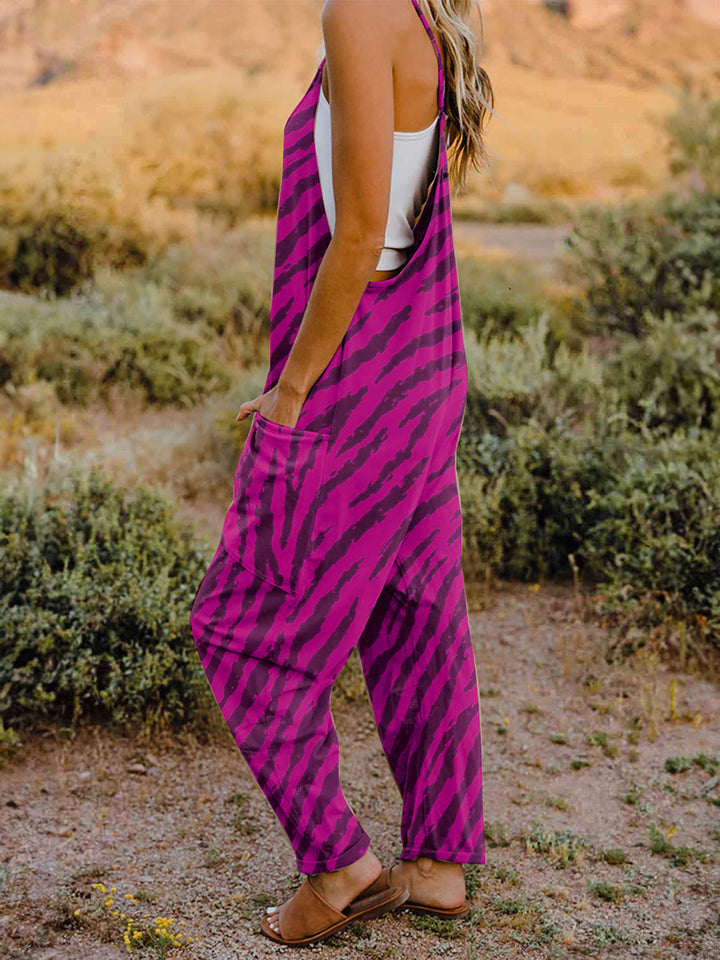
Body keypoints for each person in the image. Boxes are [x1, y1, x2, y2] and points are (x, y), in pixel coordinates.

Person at [190, 0, 495, 947]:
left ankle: (339, 866)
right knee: (417, 619)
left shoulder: (359, 11)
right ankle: (439, 866)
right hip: (421, 365)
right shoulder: (421, 12)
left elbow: (363, 231)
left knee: (241, 631)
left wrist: (290, 393)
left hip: (359, 386)